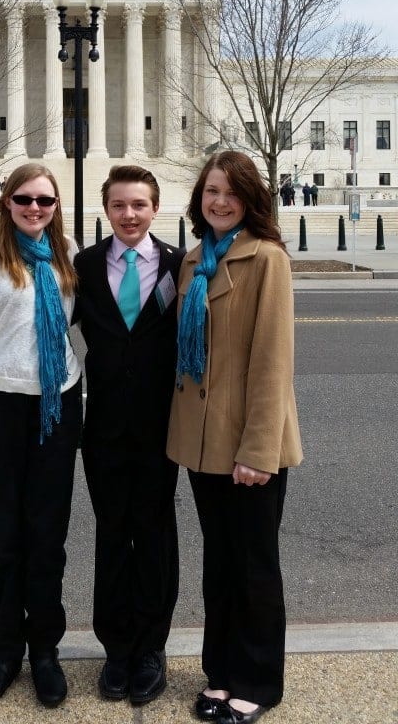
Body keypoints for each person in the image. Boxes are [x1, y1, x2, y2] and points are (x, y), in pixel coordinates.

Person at [167, 151, 303, 724]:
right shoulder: (194, 261)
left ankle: (258, 681)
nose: (219, 201)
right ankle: (220, 673)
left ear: (250, 200)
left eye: (230, 192)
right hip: (202, 444)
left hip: (250, 446)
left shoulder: (266, 258)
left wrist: (257, 452)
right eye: (211, 191)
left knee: (253, 565)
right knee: (219, 564)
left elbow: (272, 364)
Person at [0, 163, 82, 710]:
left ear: (56, 206)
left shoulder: (71, 258)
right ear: (7, 202)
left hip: (57, 404)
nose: (35, 208)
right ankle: (5, 653)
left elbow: (98, 329)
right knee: (2, 540)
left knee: (47, 538)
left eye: (45, 201)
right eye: (24, 199)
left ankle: (45, 654)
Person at [74, 165, 184, 707]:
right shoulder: (86, 267)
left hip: (161, 430)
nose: (129, 214)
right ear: (107, 209)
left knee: (156, 535)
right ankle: (116, 648)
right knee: (111, 536)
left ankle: (151, 648)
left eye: (139, 205)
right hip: (105, 433)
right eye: (119, 205)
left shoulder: (178, 267)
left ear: (155, 209)